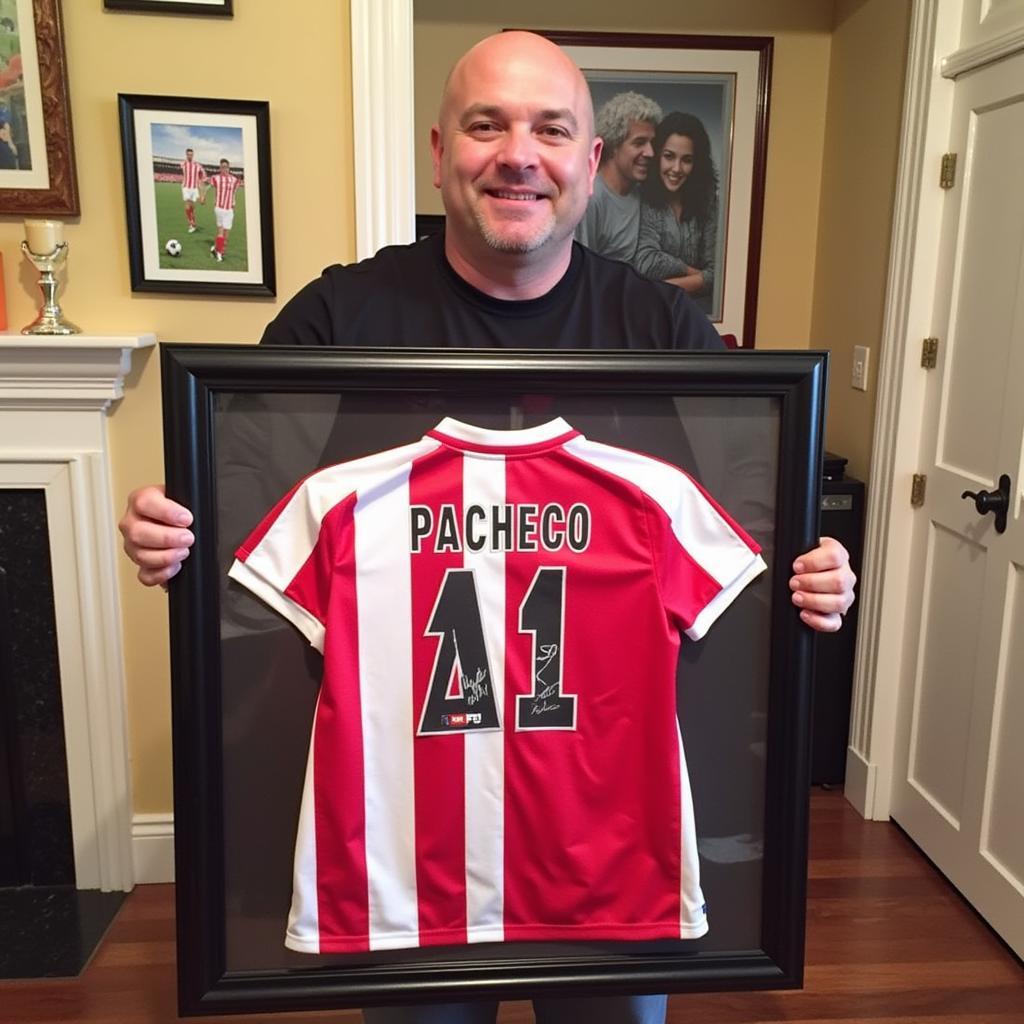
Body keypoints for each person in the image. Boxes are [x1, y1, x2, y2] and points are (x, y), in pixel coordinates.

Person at [119, 31, 856, 1024]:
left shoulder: (668, 333)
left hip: (603, 828)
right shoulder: (341, 317)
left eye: (551, 130)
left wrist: (815, 576)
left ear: (590, 165)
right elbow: (236, 504)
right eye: (487, 125)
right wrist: (175, 533)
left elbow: (759, 533)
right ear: (439, 152)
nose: (520, 154)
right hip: (406, 834)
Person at [635, 112, 718, 307]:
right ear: (657, 157)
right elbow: (646, 261)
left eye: (687, 160)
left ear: (697, 164)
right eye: (669, 157)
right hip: (652, 312)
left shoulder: (708, 203)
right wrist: (694, 274)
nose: (677, 168)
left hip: (698, 315)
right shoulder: (642, 198)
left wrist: (660, 288)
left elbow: (718, 275)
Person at [574, 91, 661, 264]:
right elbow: (581, 271)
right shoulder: (592, 198)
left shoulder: (641, 193)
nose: (650, 153)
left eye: (652, 143)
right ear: (614, 145)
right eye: (639, 143)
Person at [208, 157, 240, 262]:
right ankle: (219, 254)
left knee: (226, 234)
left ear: (229, 168)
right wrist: (203, 196)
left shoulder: (234, 180)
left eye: (226, 167)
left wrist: (234, 201)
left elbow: (234, 192)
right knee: (221, 232)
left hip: (229, 210)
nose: (225, 169)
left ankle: (216, 249)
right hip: (219, 208)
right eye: (222, 167)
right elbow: (208, 186)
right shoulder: (216, 178)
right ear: (220, 168)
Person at [179, 147, 207, 234]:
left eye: (191, 154)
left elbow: (202, 178)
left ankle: (193, 224)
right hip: (186, 187)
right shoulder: (182, 164)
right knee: (187, 206)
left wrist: (202, 196)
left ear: (193, 155)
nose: (190, 156)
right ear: (186, 154)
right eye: (188, 154)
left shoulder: (198, 165)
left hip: (194, 188)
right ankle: (191, 223)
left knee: (192, 208)